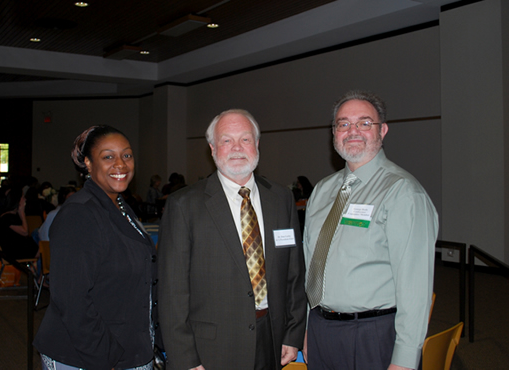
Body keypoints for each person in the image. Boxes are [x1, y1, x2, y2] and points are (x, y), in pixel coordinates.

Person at [158, 109, 306, 370]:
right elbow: (172, 291)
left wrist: (292, 334)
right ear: (213, 148)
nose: (237, 148)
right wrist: (186, 360)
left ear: (257, 144)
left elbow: (294, 273)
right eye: (227, 140)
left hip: (272, 340)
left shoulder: (281, 198)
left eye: (245, 139)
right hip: (211, 351)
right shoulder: (184, 205)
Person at [303, 90, 438, 370]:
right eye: (343, 124)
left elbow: (415, 289)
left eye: (365, 123)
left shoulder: (403, 193)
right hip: (320, 330)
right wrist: (307, 328)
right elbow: (311, 266)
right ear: (334, 133)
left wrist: (405, 359)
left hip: (372, 336)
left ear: (383, 130)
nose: (353, 131)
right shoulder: (322, 190)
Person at [33, 125, 161, 370]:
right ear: (88, 164)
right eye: (108, 157)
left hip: (127, 348)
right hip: (88, 356)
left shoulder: (120, 206)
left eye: (127, 155)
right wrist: (105, 358)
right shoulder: (80, 214)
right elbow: (72, 301)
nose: (121, 164)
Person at [0, 186, 39, 261]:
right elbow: (25, 232)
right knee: (44, 249)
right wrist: (22, 213)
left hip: (17, 246)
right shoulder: (7, 217)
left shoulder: (11, 215)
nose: (25, 199)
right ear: (17, 200)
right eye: (22, 197)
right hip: (14, 251)